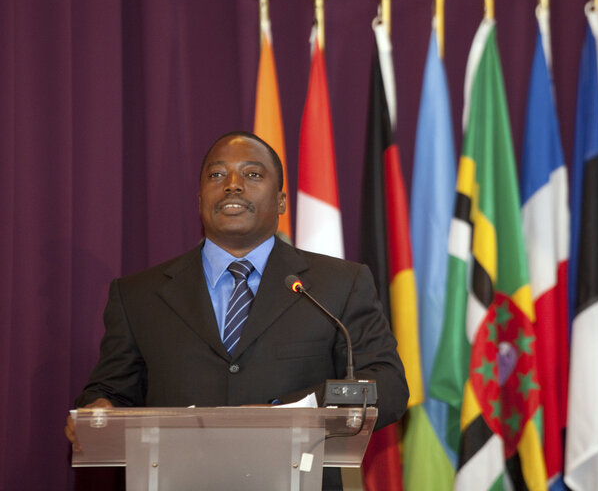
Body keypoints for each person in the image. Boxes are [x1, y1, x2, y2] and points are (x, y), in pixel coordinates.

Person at [65, 131, 408, 489]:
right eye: (217, 175)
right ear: (200, 201)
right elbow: (109, 393)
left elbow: (388, 385)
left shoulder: (338, 284)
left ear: (281, 201)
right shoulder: (137, 294)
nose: (232, 185)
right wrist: (99, 409)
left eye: (252, 174)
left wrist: (301, 410)